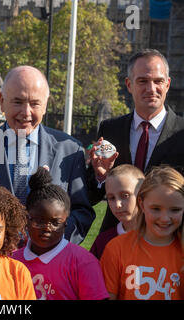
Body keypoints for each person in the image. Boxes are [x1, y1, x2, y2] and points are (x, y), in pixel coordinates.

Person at [0, 65, 94, 245]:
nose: (26, 112)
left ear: (45, 105)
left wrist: (51, 241)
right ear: (2, 101)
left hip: (47, 264)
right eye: (18, 102)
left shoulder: (69, 150)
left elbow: (81, 212)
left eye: (34, 103)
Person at [88, 49, 184, 234]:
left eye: (158, 81)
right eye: (142, 81)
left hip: (170, 240)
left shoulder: (181, 132)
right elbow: (92, 196)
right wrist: (101, 176)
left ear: (168, 84)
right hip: (116, 238)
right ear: (129, 84)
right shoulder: (110, 129)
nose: (151, 88)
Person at [12, 167, 109, 300]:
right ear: (26, 219)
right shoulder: (11, 261)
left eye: (55, 222)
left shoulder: (83, 262)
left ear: (66, 223)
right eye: (39, 221)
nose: (47, 228)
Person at [100, 166, 184, 300]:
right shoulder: (116, 248)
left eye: (175, 210)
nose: (164, 218)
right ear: (142, 204)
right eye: (156, 209)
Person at [90, 164, 145, 259]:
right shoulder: (103, 241)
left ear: (142, 195)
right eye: (111, 198)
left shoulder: (159, 238)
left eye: (125, 196)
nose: (117, 204)